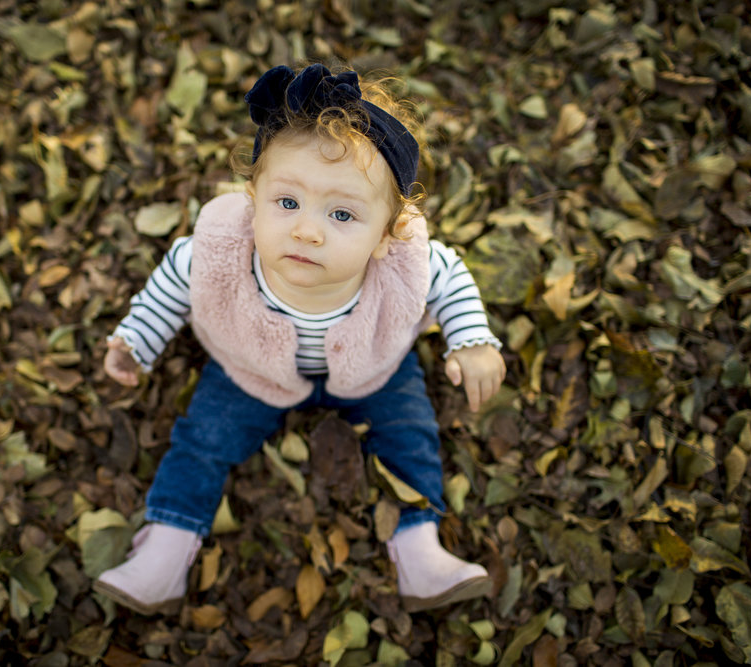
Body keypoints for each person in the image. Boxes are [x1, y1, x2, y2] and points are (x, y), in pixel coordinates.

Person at [94, 63, 506, 616]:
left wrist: (472, 340)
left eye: (341, 214)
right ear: (253, 199)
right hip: (251, 367)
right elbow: (171, 285)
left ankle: (420, 550)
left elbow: (449, 275)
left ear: (388, 236)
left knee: (410, 432)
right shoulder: (218, 250)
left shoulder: (406, 260)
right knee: (203, 437)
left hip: (373, 367)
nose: (306, 230)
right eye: (287, 203)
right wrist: (136, 341)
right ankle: (164, 549)